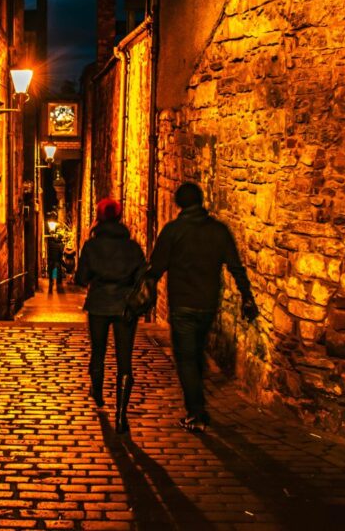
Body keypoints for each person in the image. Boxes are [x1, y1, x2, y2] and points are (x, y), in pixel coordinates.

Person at [147, 182, 258, 432]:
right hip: (207, 304)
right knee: (195, 353)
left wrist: (145, 289)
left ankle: (196, 412)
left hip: (182, 304)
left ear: (179, 204)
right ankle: (198, 403)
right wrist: (246, 295)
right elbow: (235, 266)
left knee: (186, 358)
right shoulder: (218, 231)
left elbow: (156, 267)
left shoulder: (173, 230)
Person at [74, 198, 146, 433]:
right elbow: (141, 278)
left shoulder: (91, 247)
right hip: (125, 307)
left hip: (98, 305)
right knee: (124, 359)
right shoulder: (133, 247)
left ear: (100, 218)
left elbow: (81, 278)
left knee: (99, 351)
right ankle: (121, 415)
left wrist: (94, 278)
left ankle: (97, 392)